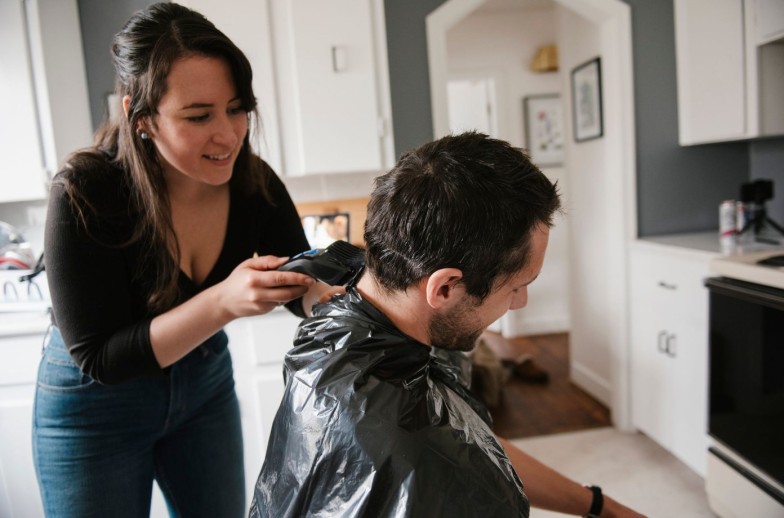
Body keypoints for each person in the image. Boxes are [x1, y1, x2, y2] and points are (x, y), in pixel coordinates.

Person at [32, 3, 336, 517]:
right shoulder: (86, 191)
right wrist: (223, 301)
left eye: (236, 109)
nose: (228, 134)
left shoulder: (252, 182)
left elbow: (300, 279)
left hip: (204, 391)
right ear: (141, 116)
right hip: (92, 410)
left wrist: (333, 298)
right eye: (199, 116)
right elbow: (102, 358)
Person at [251, 132, 645, 517]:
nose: (520, 302)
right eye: (518, 287)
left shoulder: (356, 315)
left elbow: (465, 438)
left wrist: (597, 505)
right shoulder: (413, 456)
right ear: (444, 288)